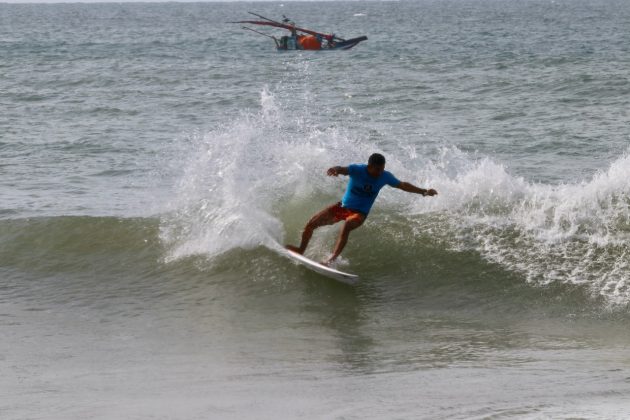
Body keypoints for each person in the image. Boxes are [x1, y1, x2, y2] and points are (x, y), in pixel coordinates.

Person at [286, 153, 438, 264]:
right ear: (369, 166)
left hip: (359, 214)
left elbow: (403, 185)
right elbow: (343, 169)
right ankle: (301, 249)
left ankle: (331, 259)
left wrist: (424, 191)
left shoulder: (385, 176)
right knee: (311, 224)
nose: (380, 173)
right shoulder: (357, 169)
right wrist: (335, 169)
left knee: (347, 225)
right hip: (343, 207)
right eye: (377, 169)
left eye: (382, 169)